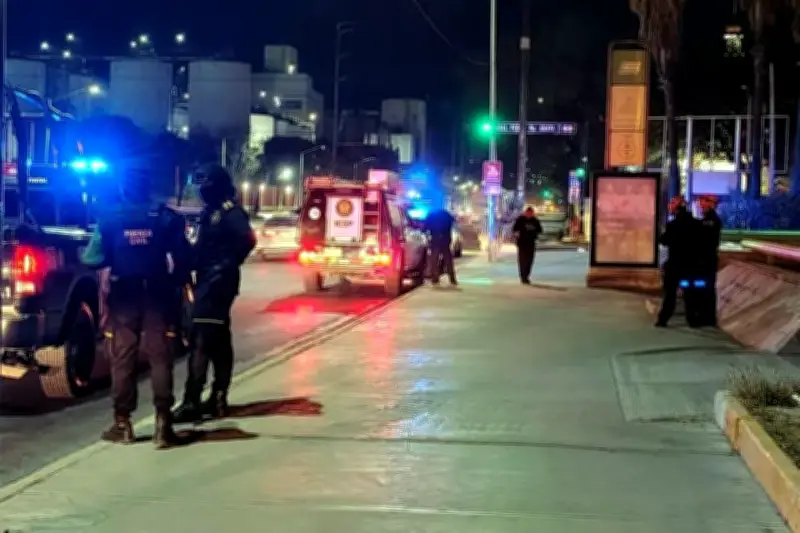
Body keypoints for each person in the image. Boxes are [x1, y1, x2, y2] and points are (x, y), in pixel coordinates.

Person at [81, 141, 192, 449]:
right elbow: (184, 257)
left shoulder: (110, 218)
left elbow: (92, 259)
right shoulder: (166, 217)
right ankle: (163, 425)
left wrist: (117, 253)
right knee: (160, 356)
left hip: (124, 295)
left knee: (123, 357)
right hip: (158, 293)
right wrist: (175, 279)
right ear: (148, 188)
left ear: (123, 188)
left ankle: (123, 423)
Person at [172, 164, 256, 424]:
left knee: (201, 339)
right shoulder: (211, 212)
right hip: (209, 280)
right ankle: (218, 397)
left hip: (217, 283)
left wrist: (227, 264)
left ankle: (192, 401)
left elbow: (248, 239)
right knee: (219, 340)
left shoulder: (230, 213)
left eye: (207, 186)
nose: (203, 192)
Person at [655, 196, 702, 328]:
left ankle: (663, 319)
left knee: (670, 294)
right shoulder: (697, 224)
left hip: (674, 265)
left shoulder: (672, 225)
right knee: (690, 293)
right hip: (690, 266)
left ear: (675, 208)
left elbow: (664, 241)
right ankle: (692, 320)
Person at [697, 195, 722, 326]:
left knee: (707, 288)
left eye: (704, 202)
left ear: (711, 204)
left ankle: (708, 318)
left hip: (707, 259)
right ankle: (705, 315)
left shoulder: (711, 220)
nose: (701, 205)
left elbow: (705, 240)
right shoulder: (706, 219)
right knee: (704, 288)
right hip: (706, 259)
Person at [425, 208, 458, 286]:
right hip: (445, 240)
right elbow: (453, 222)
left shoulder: (431, 215)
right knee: (448, 261)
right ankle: (452, 279)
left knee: (434, 260)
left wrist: (428, 233)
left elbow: (425, 227)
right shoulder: (447, 215)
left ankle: (435, 279)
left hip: (435, 240)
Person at [512, 206, 543, 284]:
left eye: (531, 213)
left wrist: (535, 232)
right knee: (522, 261)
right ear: (525, 213)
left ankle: (526, 276)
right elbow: (514, 229)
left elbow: (540, 230)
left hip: (531, 244)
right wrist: (516, 234)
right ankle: (523, 277)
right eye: (528, 213)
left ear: (532, 213)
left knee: (529, 261)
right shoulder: (520, 219)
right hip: (522, 243)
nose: (529, 214)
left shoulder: (535, 221)